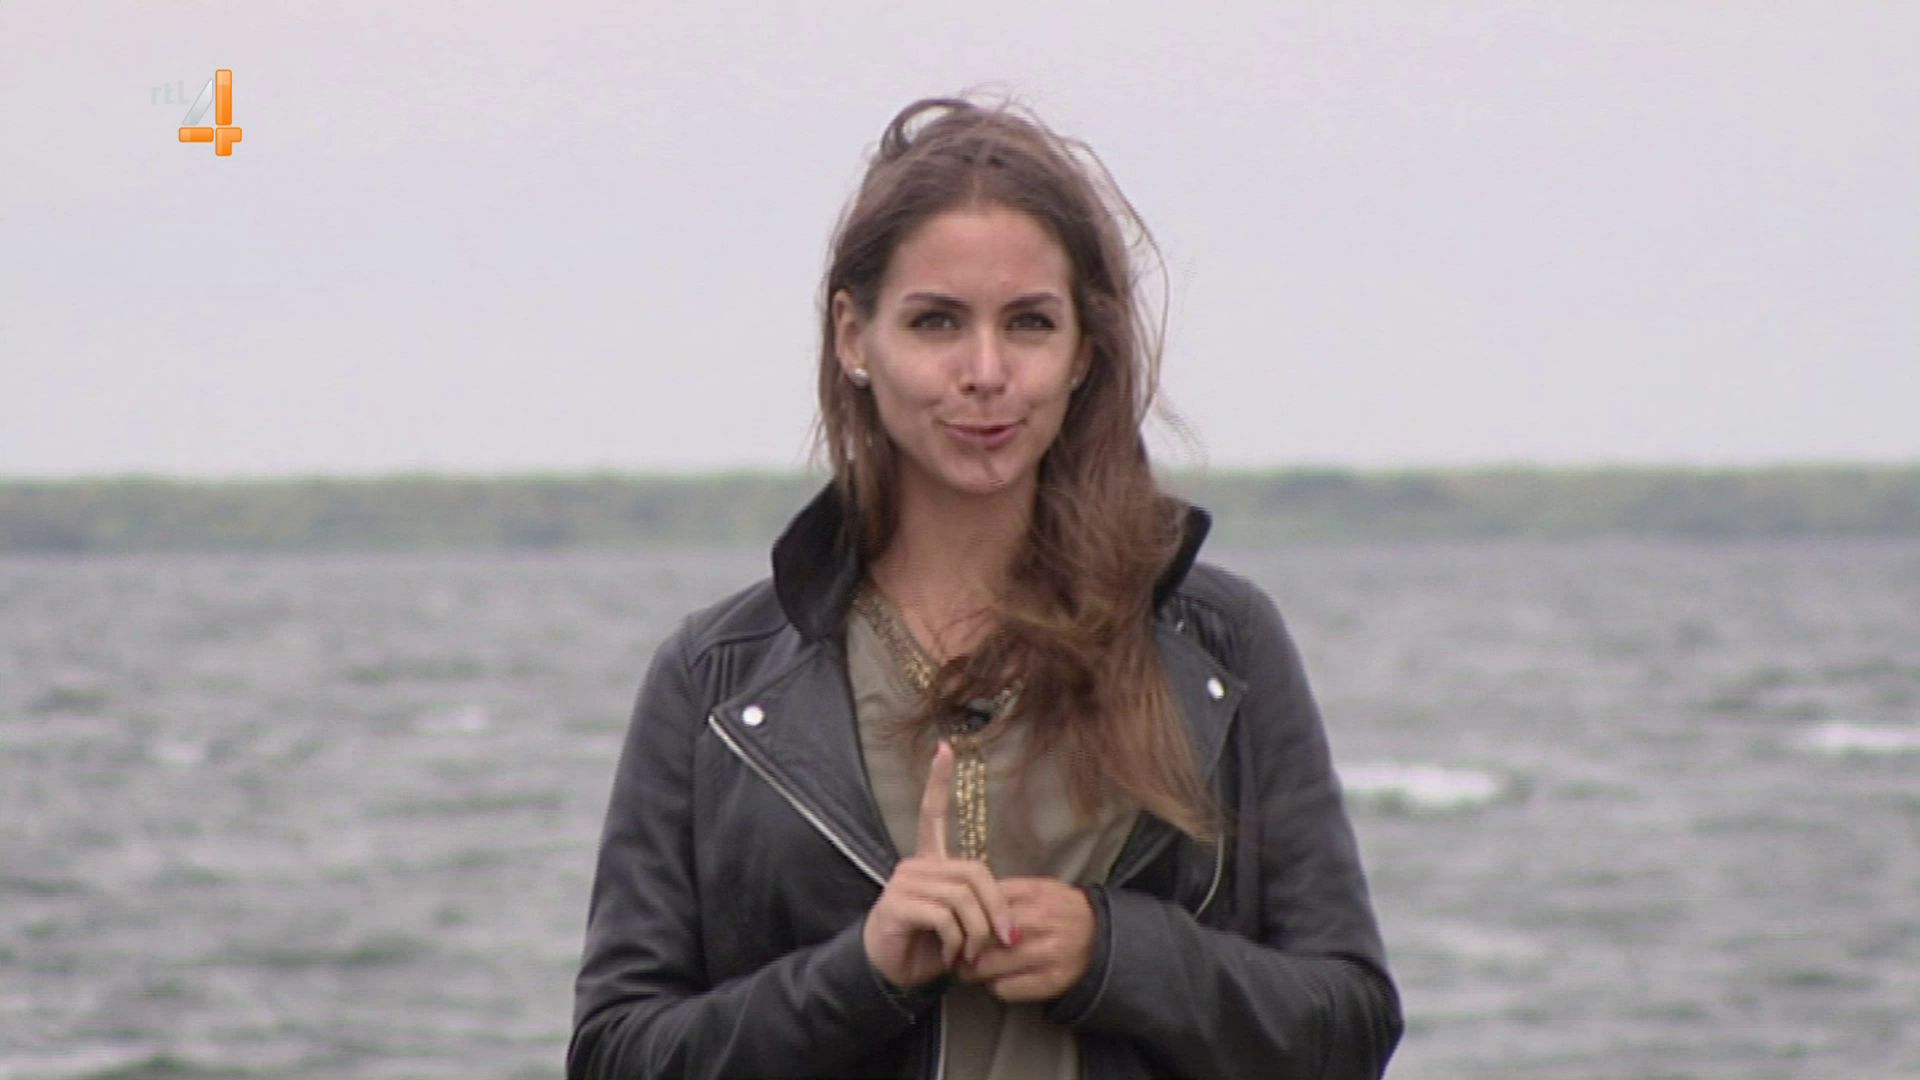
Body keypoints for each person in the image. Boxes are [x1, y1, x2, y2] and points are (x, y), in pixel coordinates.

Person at [568, 96, 1402, 1080]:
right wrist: (863, 973)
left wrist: (1113, 954)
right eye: (936, 322)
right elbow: (617, 1055)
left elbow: (1348, 1026)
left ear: (1084, 350)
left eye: (1030, 323)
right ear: (853, 337)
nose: (986, 370)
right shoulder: (715, 680)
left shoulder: (1221, 643)